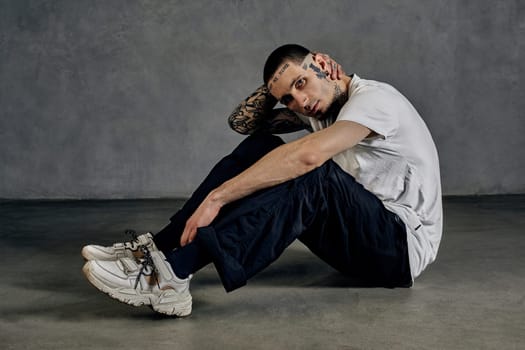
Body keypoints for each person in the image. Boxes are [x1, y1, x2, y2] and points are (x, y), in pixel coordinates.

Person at [82, 44, 442, 317]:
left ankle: (172, 277)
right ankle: (158, 250)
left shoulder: (375, 100)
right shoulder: (319, 110)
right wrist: (276, 89)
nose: (300, 102)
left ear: (323, 65)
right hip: (363, 235)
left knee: (310, 170)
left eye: (302, 83)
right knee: (260, 146)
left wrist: (218, 198)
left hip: (399, 250)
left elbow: (308, 157)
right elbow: (243, 124)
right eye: (288, 98)